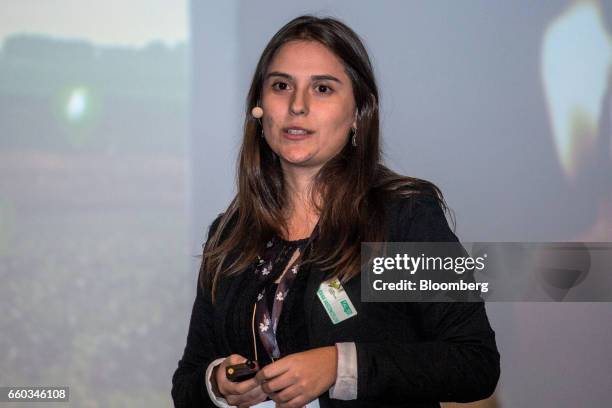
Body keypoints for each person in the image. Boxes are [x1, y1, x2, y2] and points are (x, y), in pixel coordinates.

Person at [171, 15, 500, 408]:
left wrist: (339, 366)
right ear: (259, 110)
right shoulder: (230, 235)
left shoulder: (401, 219)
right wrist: (219, 383)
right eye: (281, 86)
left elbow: (473, 363)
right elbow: (187, 384)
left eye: (322, 89)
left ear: (358, 112)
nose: (297, 106)